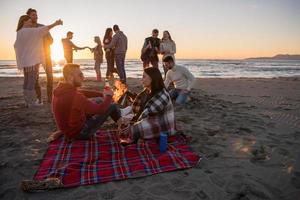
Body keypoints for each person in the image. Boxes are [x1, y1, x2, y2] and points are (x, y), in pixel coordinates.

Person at [49, 64, 126, 141]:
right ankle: (123, 127)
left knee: (99, 100)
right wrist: (109, 96)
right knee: (112, 106)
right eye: (80, 75)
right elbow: (101, 110)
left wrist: (101, 94)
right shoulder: (75, 97)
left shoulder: (60, 90)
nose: (83, 78)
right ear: (70, 77)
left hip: (68, 128)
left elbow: (81, 92)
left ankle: (121, 120)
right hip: (80, 133)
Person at [14, 15, 62, 107]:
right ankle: (32, 103)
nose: (31, 22)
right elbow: (44, 29)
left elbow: (17, 45)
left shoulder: (19, 32)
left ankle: (27, 102)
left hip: (25, 61)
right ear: (24, 21)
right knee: (31, 82)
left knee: (27, 81)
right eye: (29, 21)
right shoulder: (28, 31)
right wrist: (56, 23)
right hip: (32, 61)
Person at [119, 67, 175, 145]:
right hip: (149, 120)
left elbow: (146, 114)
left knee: (134, 129)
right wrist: (128, 120)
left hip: (162, 124)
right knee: (124, 124)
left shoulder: (162, 95)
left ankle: (135, 136)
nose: (141, 79)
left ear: (152, 78)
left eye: (144, 77)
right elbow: (136, 111)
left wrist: (131, 123)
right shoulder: (146, 92)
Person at [27, 8, 54, 103]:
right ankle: (39, 98)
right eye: (33, 15)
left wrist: (43, 41)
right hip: (34, 57)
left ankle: (50, 98)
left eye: (36, 14)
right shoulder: (27, 29)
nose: (36, 16)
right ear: (29, 16)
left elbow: (51, 40)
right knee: (35, 78)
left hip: (46, 55)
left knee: (50, 76)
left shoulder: (43, 27)